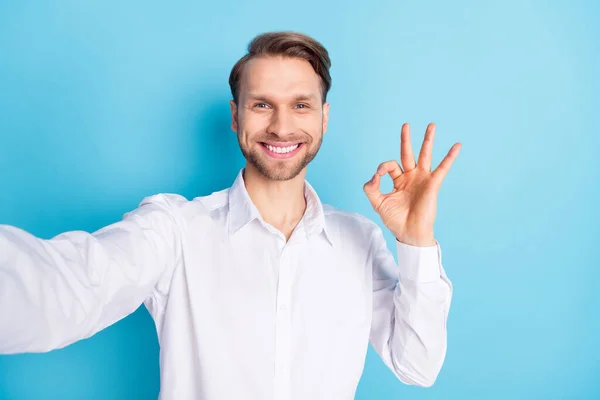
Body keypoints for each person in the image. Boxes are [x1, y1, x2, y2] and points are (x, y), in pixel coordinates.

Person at [0, 31, 461, 400]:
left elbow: (416, 366)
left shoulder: (359, 242)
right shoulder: (173, 229)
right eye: (262, 105)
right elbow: (67, 287)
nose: (281, 126)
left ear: (324, 117)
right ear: (236, 116)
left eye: (300, 105)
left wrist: (417, 239)